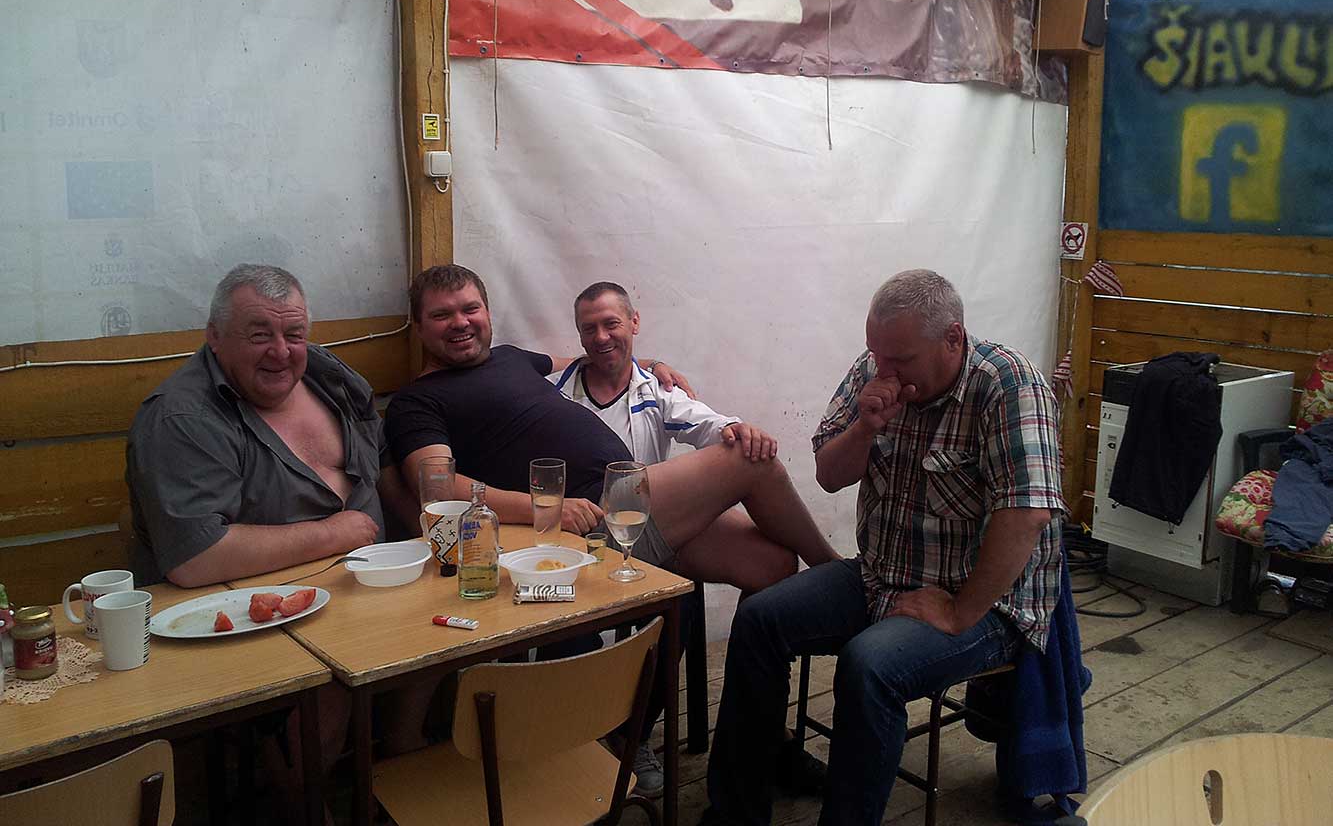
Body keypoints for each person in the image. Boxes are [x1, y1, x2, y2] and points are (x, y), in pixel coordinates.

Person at [385, 265, 842, 795]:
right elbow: (438, 487)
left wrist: (651, 364)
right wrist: (545, 507)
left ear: (487, 312)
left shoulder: (512, 359)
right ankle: (839, 576)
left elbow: (592, 358)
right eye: (442, 315)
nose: (461, 322)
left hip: (630, 503)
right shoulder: (417, 402)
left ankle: (753, 736)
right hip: (593, 521)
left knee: (772, 567)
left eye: (471, 309)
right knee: (749, 459)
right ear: (419, 326)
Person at [700, 269, 1067, 826]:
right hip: (880, 576)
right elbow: (829, 475)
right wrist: (865, 427)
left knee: (869, 665)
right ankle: (736, 813)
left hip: (985, 603)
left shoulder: (1009, 384)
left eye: (900, 360)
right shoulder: (874, 368)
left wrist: (959, 610)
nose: (885, 371)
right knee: (758, 621)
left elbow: (1028, 514)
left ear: (952, 338)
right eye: (877, 355)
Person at [126, 264, 413, 587]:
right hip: (245, 609)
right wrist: (330, 534)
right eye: (259, 335)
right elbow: (195, 558)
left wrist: (427, 535)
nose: (280, 352)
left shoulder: (329, 376)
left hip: (379, 587)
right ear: (215, 336)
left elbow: (382, 460)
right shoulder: (182, 418)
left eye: (294, 335)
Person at [550, 281, 802, 594]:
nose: (601, 337)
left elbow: (703, 421)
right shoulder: (553, 394)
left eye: (611, 324)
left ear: (634, 322)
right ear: (579, 334)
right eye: (589, 329)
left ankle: (822, 580)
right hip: (591, 533)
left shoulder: (656, 390)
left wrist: (732, 427)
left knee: (775, 564)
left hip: (654, 522)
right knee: (750, 462)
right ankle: (832, 568)